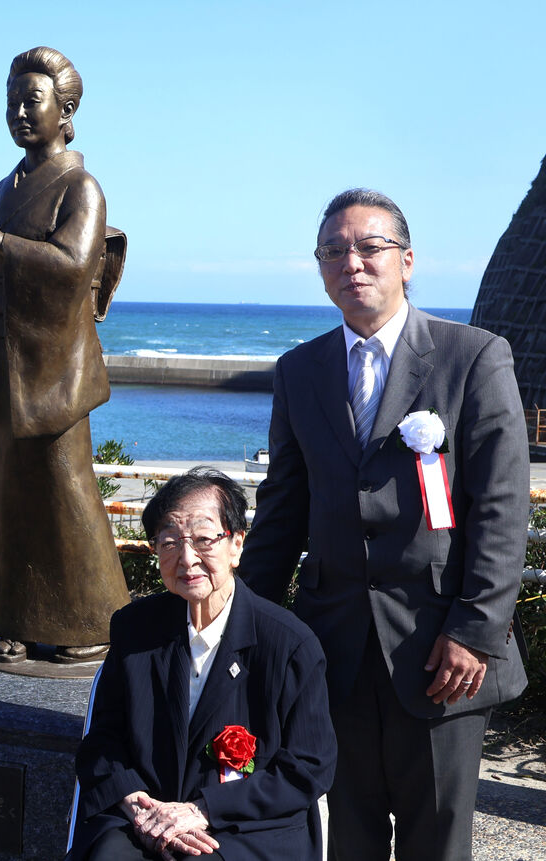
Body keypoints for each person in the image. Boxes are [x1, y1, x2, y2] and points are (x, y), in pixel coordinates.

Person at [238, 188, 529, 861]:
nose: (353, 262)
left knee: (435, 838)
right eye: (334, 251)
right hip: (331, 645)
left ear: (406, 260)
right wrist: (242, 628)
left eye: (370, 247)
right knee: (348, 835)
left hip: (439, 650)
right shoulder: (299, 371)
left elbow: (500, 506)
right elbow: (282, 512)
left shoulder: (474, 357)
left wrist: (474, 630)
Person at [0, 46, 128, 663]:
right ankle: (15, 617)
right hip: (4, 366)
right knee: (5, 497)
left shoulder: (81, 185)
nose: (20, 112)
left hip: (52, 370)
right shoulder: (5, 186)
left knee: (63, 492)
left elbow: (76, 267)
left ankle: (90, 620)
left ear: (66, 109)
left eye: (34, 100)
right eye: (12, 102)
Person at [71, 468, 336, 861]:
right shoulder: (134, 628)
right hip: (146, 816)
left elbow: (309, 767)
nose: (187, 558)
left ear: (236, 545)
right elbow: (102, 739)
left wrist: (202, 810)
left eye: (203, 539)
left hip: (245, 825)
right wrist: (135, 803)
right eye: (170, 542)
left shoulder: (289, 643)